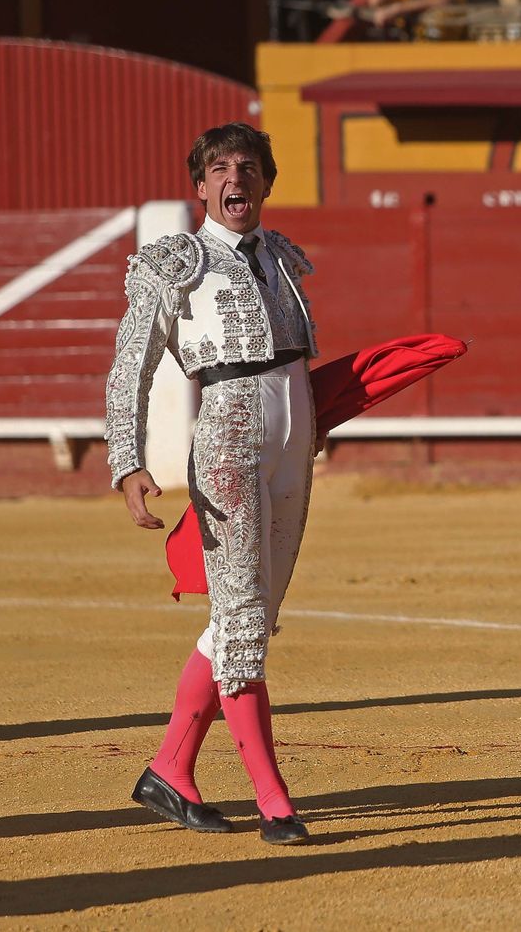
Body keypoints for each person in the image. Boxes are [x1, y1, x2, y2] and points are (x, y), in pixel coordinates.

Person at [107, 123, 321, 846]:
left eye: (251, 167)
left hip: (295, 445)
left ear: (267, 181)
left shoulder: (285, 257)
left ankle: (171, 768)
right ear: (200, 186)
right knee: (242, 623)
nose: (238, 179)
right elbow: (130, 364)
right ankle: (274, 801)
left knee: (246, 616)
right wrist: (126, 460)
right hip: (228, 436)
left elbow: (296, 365)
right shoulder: (176, 263)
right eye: (221, 169)